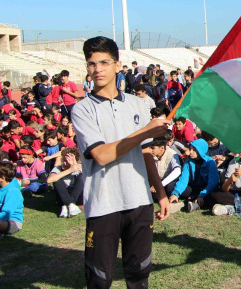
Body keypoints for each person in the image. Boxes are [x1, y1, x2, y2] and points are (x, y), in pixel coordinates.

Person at [71, 36, 171, 288]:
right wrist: (145, 132)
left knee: (139, 275)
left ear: (118, 65)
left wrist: (160, 194)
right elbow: (102, 155)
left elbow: (146, 153)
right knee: (99, 278)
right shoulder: (82, 109)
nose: (98, 69)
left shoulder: (137, 104)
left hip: (139, 201)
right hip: (103, 203)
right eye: (92, 64)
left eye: (104, 62)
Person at [169, 138, 220, 213]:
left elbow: (213, 182)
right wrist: (176, 193)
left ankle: (192, 204)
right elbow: (183, 180)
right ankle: (191, 200)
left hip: (206, 189)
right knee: (170, 187)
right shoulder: (189, 162)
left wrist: (202, 195)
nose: (190, 152)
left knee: (213, 195)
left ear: (201, 151)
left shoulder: (210, 162)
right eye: (190, 149)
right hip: (194, 188)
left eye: (194, 150)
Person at [47, 146, 83, 218]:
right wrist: (70, 170)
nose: (64, 163)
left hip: (77, 195)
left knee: (82, 177)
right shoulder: (58, 168)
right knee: (56, 179)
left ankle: (68, 205)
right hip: (63, 195)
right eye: (63, 160)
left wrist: (75, 166)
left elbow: (89, 177)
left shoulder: (79, 166)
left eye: (66, 161)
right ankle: (70, 204)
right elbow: (49, 180)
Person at [0, 161, 24, 238]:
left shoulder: (12, 191)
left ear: (2, 177)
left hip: (12, 222)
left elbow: (6, 214)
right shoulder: (2, 188)